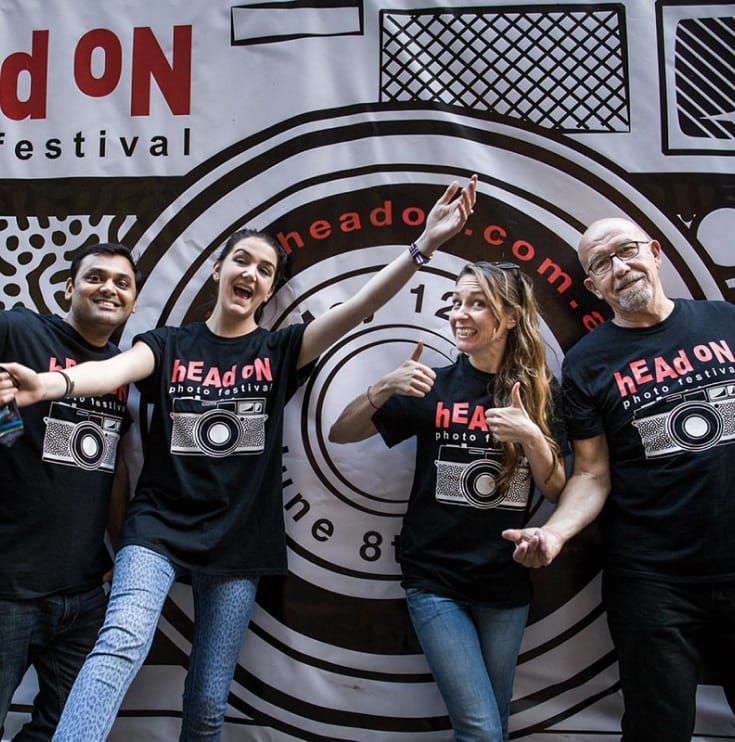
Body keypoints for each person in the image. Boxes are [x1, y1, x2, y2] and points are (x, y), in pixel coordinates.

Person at [0, 175, 477, 742]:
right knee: (118, 648)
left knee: (206, 704)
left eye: (264, 269)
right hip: (156, 530)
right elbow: (109, 372)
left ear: (270, 287)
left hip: (238, 539)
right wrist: (52, 388)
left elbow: (358, 307)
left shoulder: (279, 350)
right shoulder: (166, 343)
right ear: (217, 270)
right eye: (240, 261)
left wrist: (423, 247)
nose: (250, 273)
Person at [503, 217, 735, 741]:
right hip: (654, 582)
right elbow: (590, 472)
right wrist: (555, 533)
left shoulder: (725, 321)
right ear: (592, 286)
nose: (619, 268)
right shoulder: (587, 364)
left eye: (626, 251)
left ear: (654, 252)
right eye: (601, 264)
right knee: (658, 727)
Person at [329, 260, 567, 741]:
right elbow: (341, 432)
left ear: (513, 315)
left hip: (505, 583)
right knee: (481, 730)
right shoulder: (434, 385)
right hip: (435, 580)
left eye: (477, 303)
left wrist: (532, 437)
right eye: (456, 302)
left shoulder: (541, 392)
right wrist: (383, 387)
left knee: (491, 726)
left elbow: (557, 488)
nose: (460, 313)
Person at [0, 243, 140, 741]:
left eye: (122, 283)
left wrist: (120, 546)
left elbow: (114, 468)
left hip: (83, 593)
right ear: (68, 287)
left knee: (70, 729)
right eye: (95, 277)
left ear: (133, 301)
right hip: (9, 587)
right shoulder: (19, 330)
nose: (109, 288)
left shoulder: (122, 372)